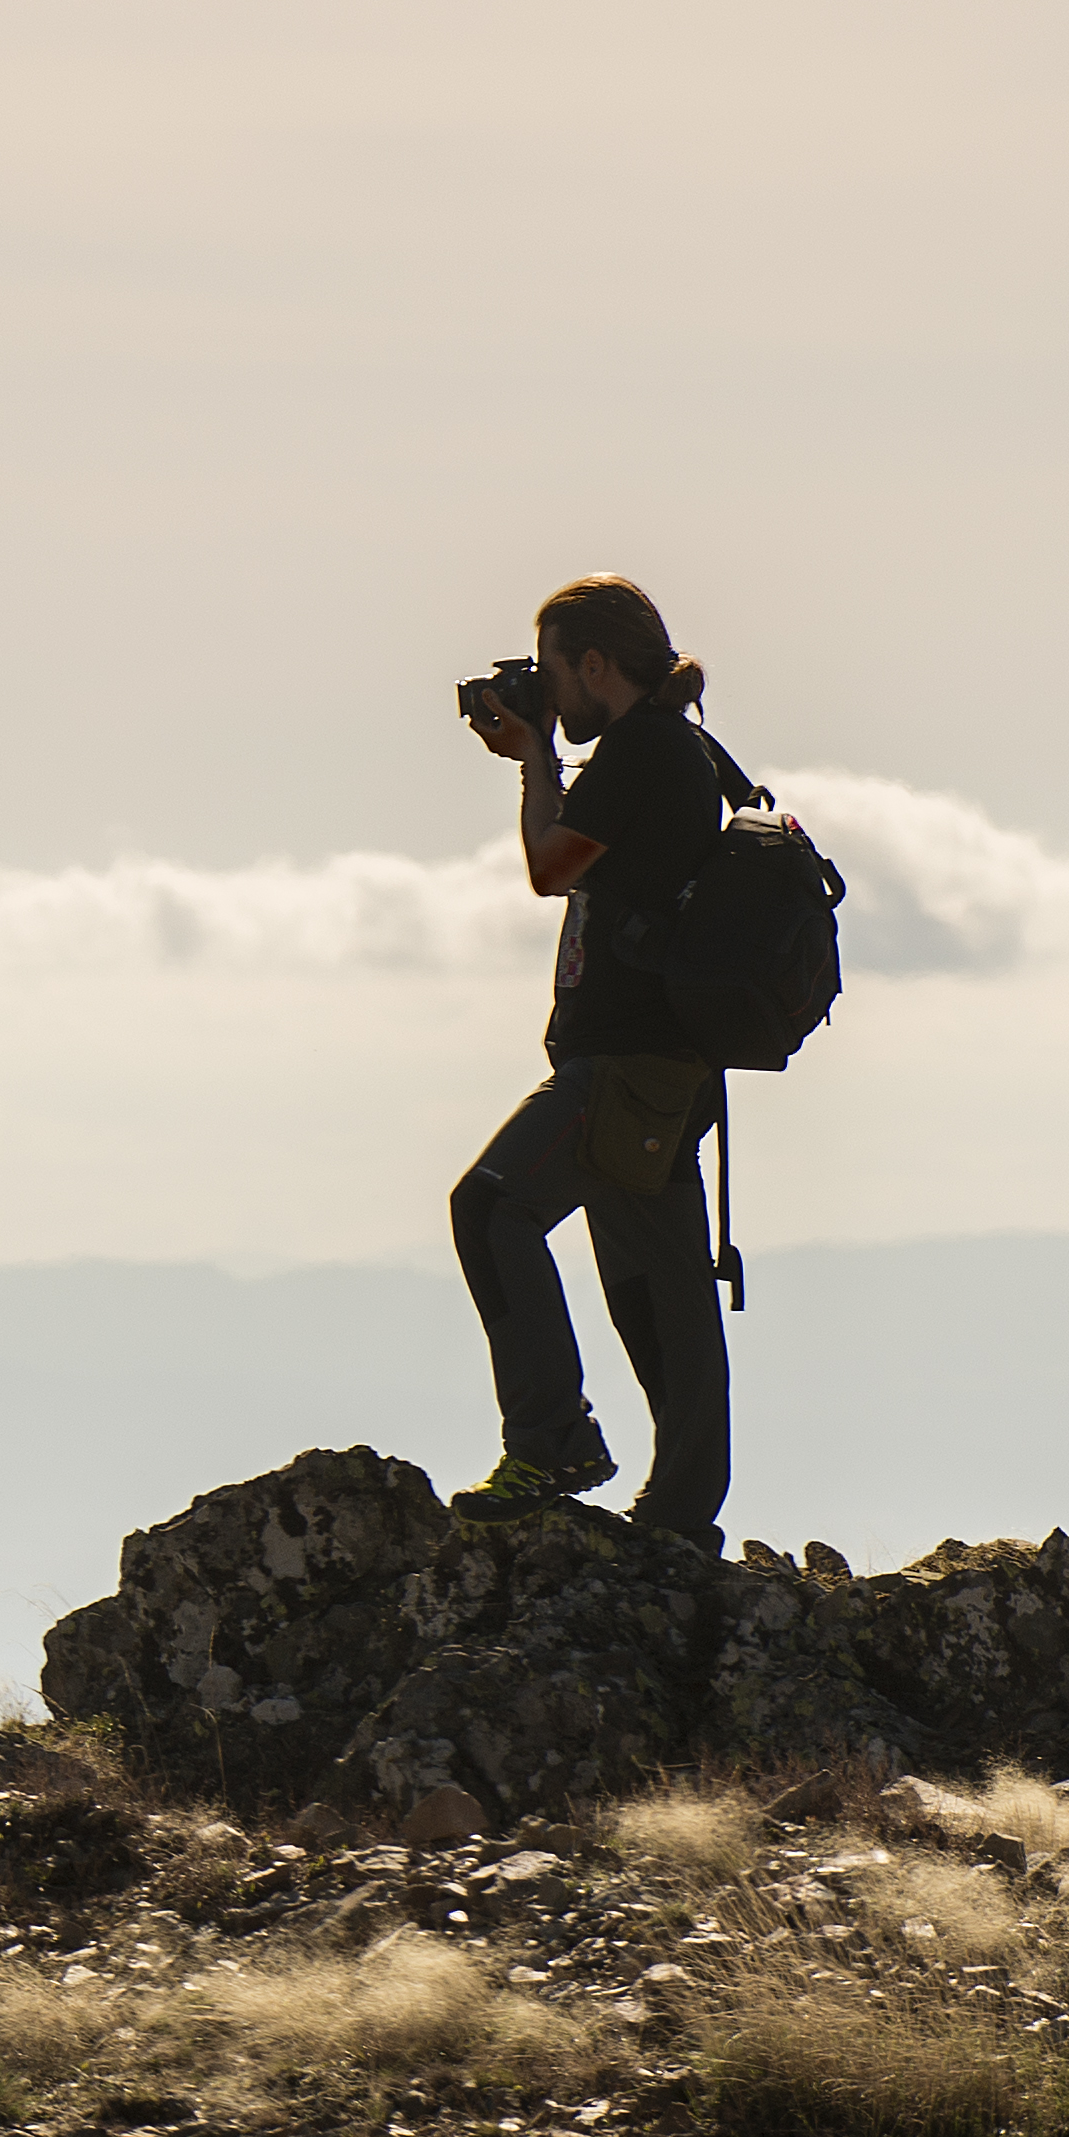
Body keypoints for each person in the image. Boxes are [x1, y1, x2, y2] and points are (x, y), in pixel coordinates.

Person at [449, 574, 764, 1550]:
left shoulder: (642, 751)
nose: (547, 689)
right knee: (656, 1289)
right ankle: (678, 1513)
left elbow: (548, 866)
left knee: (492, 1206)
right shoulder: (671, 748)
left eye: (551, 669)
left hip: (628, 1066)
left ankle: (552, 1441)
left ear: (595, 664)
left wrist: (533, 757)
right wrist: (543, 751)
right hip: (652, 1065)